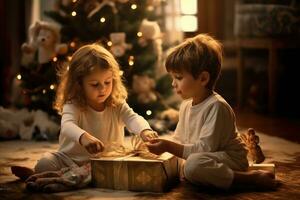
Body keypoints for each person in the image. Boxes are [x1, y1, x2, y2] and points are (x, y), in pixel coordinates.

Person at [11, 44, 156, 191]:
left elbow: (132, 118)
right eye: (95, 84)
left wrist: (144, 130)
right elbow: (67, 126)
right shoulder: (73, 103)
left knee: (112, 171)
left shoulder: (116, 103)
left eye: (108, 82)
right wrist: (84, 137)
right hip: (69, 159)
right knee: (45, 163)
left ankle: (57, 181)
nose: (103, 89)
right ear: (79, 84)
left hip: (104, 161)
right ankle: (58, 177)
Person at [146, 34, 277, 190]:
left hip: (229, 159)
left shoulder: (217, 107)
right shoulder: (186, 106)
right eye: (173, 78)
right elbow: (179, 139)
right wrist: (159, 146)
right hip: (207, 157)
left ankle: (250, 178)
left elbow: (204, 149)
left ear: (203, 79)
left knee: (192, 166)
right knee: (179, 163)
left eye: (179, 77)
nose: (173, 84)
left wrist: (168, 146)